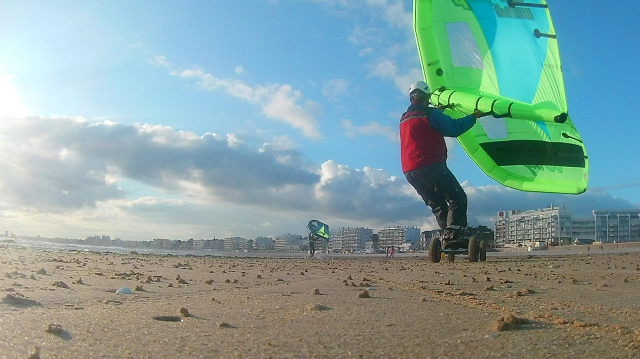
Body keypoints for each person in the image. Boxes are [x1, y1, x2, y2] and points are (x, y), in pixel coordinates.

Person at [400, 81, 483, 249]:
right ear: (426, 97)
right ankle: (454, 238)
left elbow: (426, 121)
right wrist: (473, 116)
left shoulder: (404, 118)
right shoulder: (430, 114)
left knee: (438, 204)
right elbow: (452, 128)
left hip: (410, 170)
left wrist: (439, 111)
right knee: (457, 197)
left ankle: (448, 239)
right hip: (430, 165)